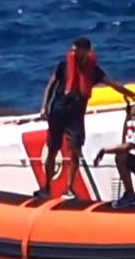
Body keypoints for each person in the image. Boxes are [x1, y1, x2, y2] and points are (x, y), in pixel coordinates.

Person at [35, 37, 135, 199]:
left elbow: (113, 84)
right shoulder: (63, 66)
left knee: (75, 150)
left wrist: (131, 95)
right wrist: (44, 107)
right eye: (72, 50)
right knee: (53, 149)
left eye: (76, 50)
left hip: (76, 115)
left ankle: (70, 189)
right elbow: (51, 85)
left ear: (86, 51)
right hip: (58, 111)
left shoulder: (94, 70)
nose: (73, 53)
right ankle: (46, 187)